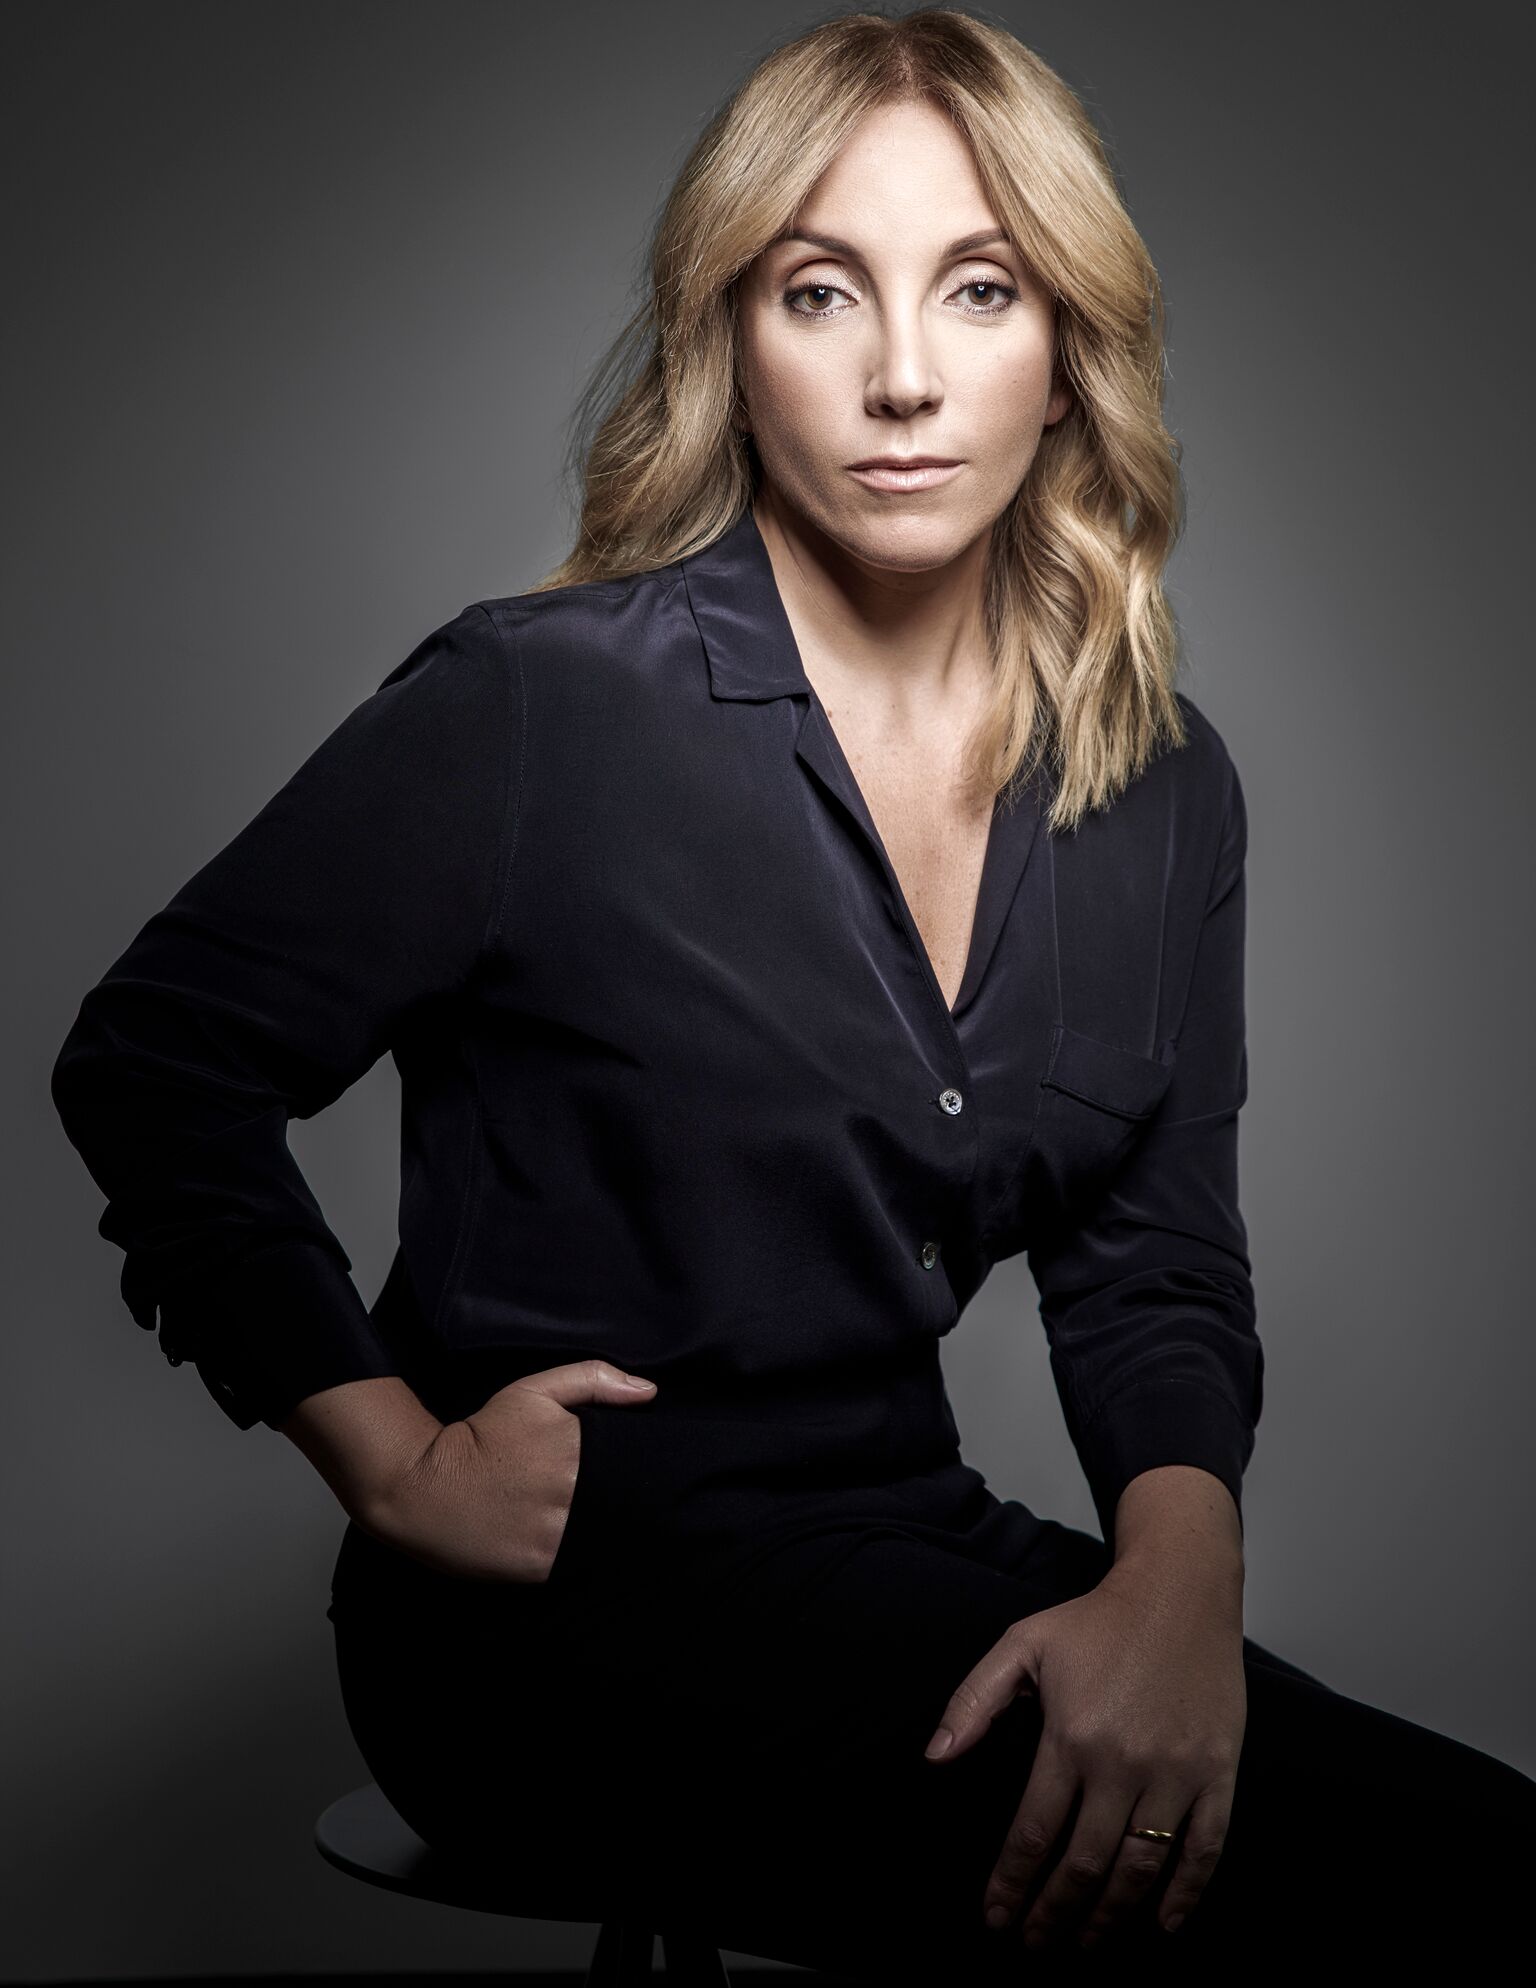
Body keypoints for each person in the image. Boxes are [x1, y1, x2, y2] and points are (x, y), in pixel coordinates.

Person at [50, 8, 1534, 1978]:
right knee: (1377, 1895)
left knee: (1481, 1853)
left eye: (981, 289)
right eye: (821, 291)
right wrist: (392, 1456)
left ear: (1069, 349)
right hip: (550, 1624)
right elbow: (154, 1064)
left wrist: (1177, 1587)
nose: (902, 375)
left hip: (903, 1542)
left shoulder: (1165, 789)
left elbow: (1153, 1256)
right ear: (731, 345)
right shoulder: (541, 706)